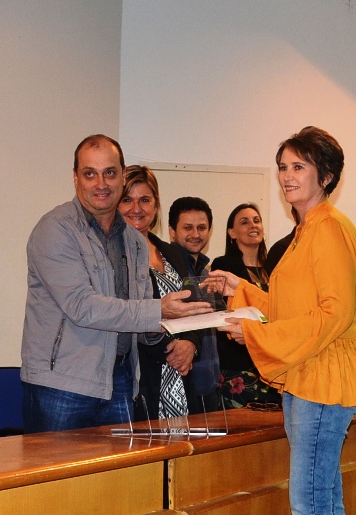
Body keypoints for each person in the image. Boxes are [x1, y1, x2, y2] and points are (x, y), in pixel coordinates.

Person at [209, 126, 356, 515]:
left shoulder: (327, 230)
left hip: (321, 382)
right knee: (326, 511)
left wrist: (255, 334)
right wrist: (240, 292)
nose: (287, 176)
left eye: (298, 166)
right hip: (313, 378)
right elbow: (290, 306)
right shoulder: (308, 231)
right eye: (282, 166)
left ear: (325, 175)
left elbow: (331, 316)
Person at [20, 135, 212, 433]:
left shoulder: (134, 241)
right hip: (62, 384)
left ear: (122, 176)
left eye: (109, 173)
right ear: (76, 178)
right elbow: (82, 307)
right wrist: (159, 311)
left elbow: (138, 314)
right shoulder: (55, 230)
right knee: (57, 466)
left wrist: (178, 329)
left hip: (120, 379)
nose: (101, 183)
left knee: (118, 466)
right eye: (90, 174)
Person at [117, 166, 211, 420]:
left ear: (156, 204)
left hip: (181, 375)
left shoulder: (173, 253)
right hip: (141, 375)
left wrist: (190, 343)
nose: (136, 208)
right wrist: (172, 350)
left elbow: (195, 307)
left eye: (145, 200)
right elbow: (121, 313)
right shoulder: (113, 256)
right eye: (127, 200)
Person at [210, 203, 280, 408]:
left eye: (256, 220)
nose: (253, 225)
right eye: (244, 222)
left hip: (272, 363)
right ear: (232, 233)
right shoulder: (224, 265)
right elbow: (228, 314)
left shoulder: (275, 268)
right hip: (239, 364)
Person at [168, 196, 213, 277]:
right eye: (188, 228)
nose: (196, 235)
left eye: (201, 228)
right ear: (172, 231)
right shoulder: (164, 269)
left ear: (209, 231)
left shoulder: (206, 275)